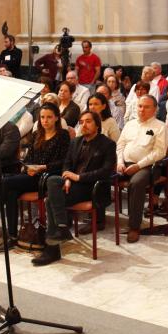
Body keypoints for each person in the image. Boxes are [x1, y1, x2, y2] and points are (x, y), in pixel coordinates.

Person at [33, 111, 117, 265]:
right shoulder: (75, 142)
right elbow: (67, 164)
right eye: (81, 122)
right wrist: (67, 178)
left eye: (88, 121)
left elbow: (106, 171)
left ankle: (53, 248)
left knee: (49, 201)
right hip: (72, 185)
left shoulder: (108, 144)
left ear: (97, 124)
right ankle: (62, 228)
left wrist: (78, 177)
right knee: (52, 180)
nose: (84, 125)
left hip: (92, 188)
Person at [0, 104, 70, 244]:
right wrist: (28, 168)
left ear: (56, 118)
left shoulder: (63, 135)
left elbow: (63, 162)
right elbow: (28, 158)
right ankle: (12, 236)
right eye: (42, 117)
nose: (45, 120)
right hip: (31, 175)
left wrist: (42, 167)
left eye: (49, 117)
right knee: (10, 192)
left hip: (47, 177)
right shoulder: (37, 134)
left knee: (5, 182)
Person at [115, 95, 168, 243]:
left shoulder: (160, 126)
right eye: (140, 106)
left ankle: (134, 226)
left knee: (136, 183)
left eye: (146, 107)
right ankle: (98, 219)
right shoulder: (129, 124)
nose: (142, 110)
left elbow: (159, 152)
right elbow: (120, 145)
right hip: (124, 164)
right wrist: (119, 162)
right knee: (102, 176)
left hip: (147, 167)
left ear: (155, 109)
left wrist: (138, 166)